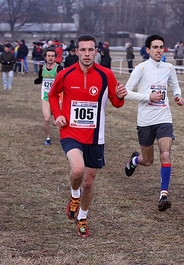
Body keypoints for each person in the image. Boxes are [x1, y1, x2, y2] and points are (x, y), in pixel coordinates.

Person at [48, 34, 127, 237]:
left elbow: (116, 103)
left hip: (94, 136)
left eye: (90, 50)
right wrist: (57, 115)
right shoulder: (65, 74)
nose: (87, 54)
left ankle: (82, 217)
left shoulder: (106, 75)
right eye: (82, 50)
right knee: (77, 170)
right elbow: (52, 95)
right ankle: (75, 196)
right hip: (70, 132)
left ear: (96, 52)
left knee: (89, 182)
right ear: (76, 52)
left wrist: (119, 96)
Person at [123, 34, 184, 212]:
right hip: (145, 121)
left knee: (165, 154)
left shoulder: (169, 67)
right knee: (148, 160)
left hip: (164, 118)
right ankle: (134, 161)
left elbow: (175, 86)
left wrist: (178, 96)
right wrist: (147, 97)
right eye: (155, 47)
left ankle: (163, 195)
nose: (159, 50)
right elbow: (126, 92)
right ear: (148, 50)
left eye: (161, 47)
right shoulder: (141, 69)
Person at [34, 48, 64, 145]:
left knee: (56, 122)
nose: (50, 58)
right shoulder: (42, 68)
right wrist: (37, 81)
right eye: (49, 56)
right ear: (45, 57)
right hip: (46, 97)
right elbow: (40, 78)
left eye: (52, 56)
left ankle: (65, 137)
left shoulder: (59, 69)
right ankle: (48, 138)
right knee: (46, 119)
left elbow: (64, 81)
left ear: (55, 57)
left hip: (57, 97)